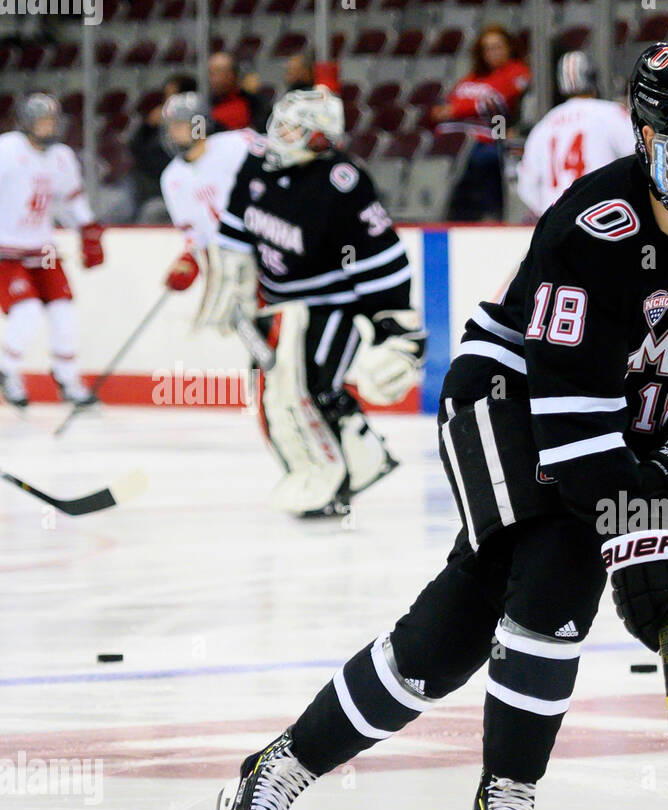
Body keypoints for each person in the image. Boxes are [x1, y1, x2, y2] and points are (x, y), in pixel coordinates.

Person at [212, 41, 668, 810]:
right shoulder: (593, 228)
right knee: (564, 564)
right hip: (508, 402)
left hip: (627, 422)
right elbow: (570, 428)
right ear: (649, 142)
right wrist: (641, 543)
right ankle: (508, 797)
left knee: (447, 639)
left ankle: (288, 763)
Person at [195, 87, 422, 518]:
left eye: (297, 128)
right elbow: (237, 227)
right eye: (282, 123)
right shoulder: (257, 162)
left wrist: (394, 322)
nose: (283, 133)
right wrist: (231, 286)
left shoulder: (341, 180)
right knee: (273, 397)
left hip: (335, 303)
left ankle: (344, 472)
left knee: (311, 388)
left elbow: (383, 253)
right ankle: (339, 466)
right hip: (280, 306)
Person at [0, 94, 103, 410]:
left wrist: (88, 230)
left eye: (51, 121)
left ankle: (68, 379)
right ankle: (6, 370)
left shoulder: (61, 156)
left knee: (64, 313)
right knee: (27, 313)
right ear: (26, 122)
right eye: (41, 120)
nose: (47, 127)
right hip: (6, 249)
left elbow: (71, 198)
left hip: (43, 249)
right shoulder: (6, 150)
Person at [157, 92, 256, 298]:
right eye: (170, 126)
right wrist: (189, 262)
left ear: (199, 124)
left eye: (180, 124)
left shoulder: (239, 144)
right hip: (229, 265)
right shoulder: (171, 179)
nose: (173, 132)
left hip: (265, 249)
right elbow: (194, 235)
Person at [429, 25, 531, 221]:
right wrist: (457, 108)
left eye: (497, 47)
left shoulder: (517, 71)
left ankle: (486, 216)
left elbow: (497, 100)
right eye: (487, 48)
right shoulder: (472, 77)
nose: (492, 53)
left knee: (480, 160)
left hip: (489, 138)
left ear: (509, 48)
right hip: (452, 140)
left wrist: (456, 110)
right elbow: (445, 105)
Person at [515, 50, 634, 218]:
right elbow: (640, 158)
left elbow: (526, 184)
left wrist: (548, 214)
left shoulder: (544, 124)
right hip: (603, 220)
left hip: (558, 223)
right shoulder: (612, 112)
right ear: (593, 78)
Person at [128, 73, 197, 220]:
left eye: (173, 96)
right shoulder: (159, 127)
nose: (168, 102)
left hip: (191, 192)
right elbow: (135, 150)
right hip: (156, 191)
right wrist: (148, 127)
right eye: (167, 96)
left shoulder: (199, 125)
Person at [208, 52, 270, 132]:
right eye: (211, 73)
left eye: (219, 72)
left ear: (233, 74)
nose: (213, 79)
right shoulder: (205, 105)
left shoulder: (254, 104)